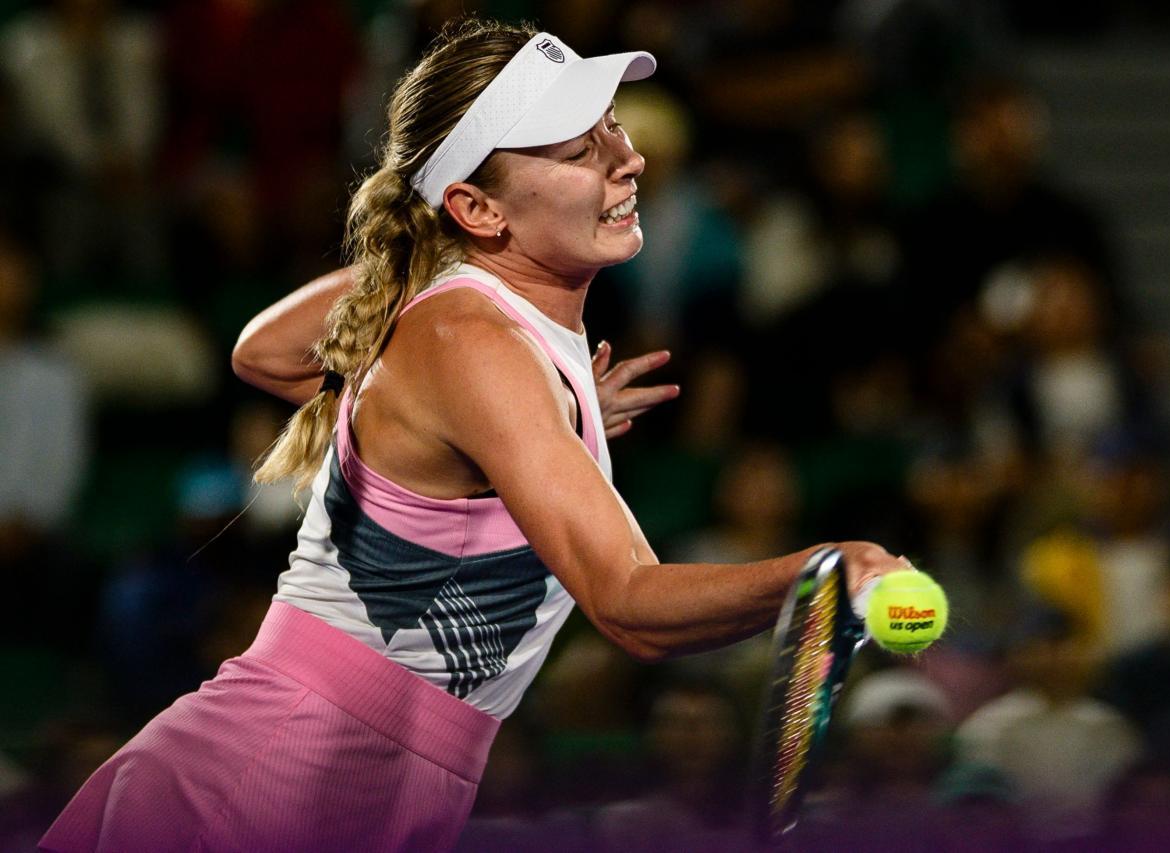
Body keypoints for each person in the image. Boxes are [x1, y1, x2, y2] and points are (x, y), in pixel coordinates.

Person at [42, 19, 911, 852]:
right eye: (577, 151)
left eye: (612, 127)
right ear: (477, 209)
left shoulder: (490, 341)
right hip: (264, 778)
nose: (630, 158)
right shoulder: (472, 338)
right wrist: (820, 570)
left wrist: (501, 428)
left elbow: (266, 353)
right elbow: (631, 605)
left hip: (355, 787)